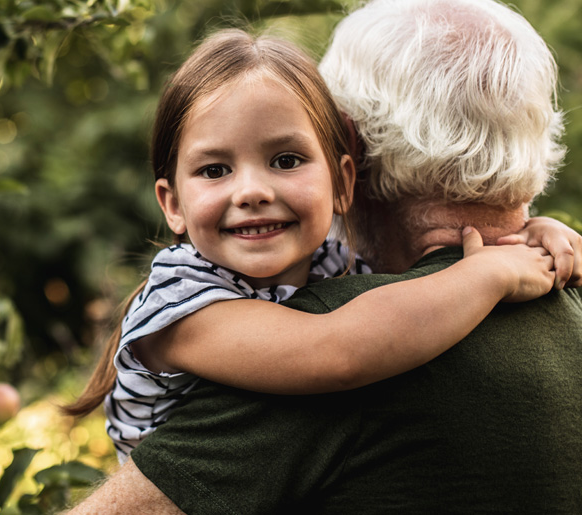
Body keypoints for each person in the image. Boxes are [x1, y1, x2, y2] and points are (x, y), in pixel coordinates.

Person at [68, 0, 582, 512]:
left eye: (286, 160)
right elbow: (338, 352)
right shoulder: (183, 305)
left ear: (344, 174)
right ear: (172, 204)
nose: (251, 191)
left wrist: (536, 233)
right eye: (214, 170)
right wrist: (487, 270)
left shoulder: (333, 265)